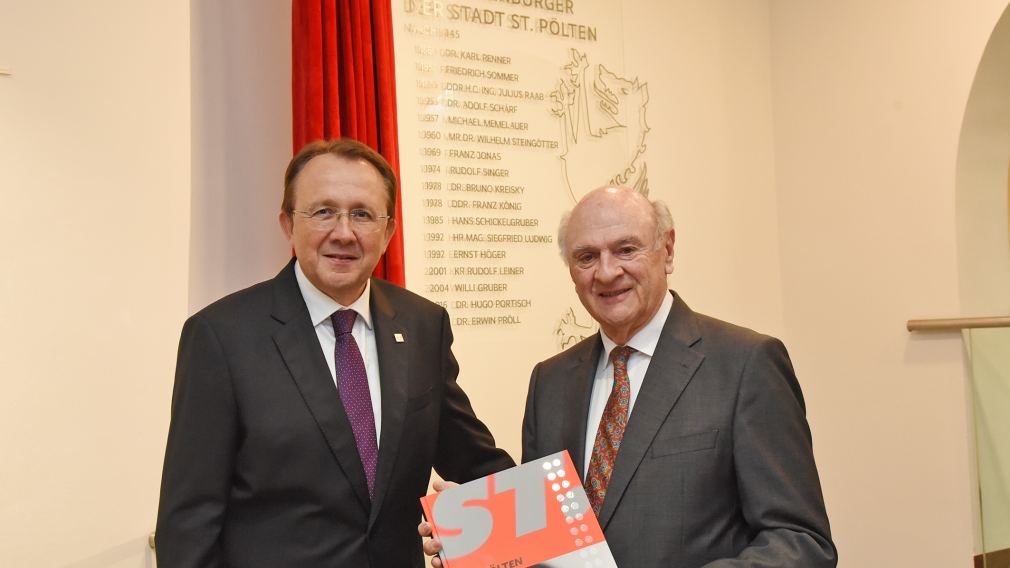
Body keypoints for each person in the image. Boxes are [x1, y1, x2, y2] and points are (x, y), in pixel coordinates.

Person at [423, 185, 836, 567]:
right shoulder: (550, 382)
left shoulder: (745, 364)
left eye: (625, 249)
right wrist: (482, 542)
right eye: (586, 257)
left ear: (668, 251)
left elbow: (800, 540)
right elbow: (551, 543)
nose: (606, 273)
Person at [156, 138, 514, 567]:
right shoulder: (221, 337)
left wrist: (570, 528)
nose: (343, 233)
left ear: (388, 232)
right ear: (288, 223)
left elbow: (474, 461)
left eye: (362, 214)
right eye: (323, 211)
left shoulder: (423, 325)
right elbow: (189, 525)